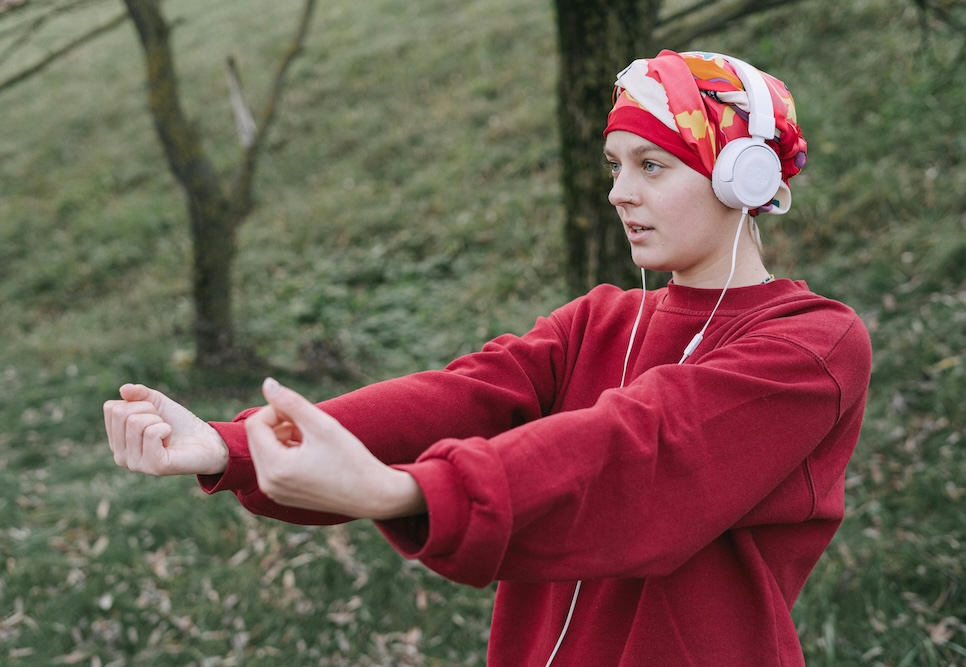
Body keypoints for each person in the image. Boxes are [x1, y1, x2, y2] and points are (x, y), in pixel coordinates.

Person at [104, 50, 872, 666]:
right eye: (613, 165)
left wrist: (406, 492)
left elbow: (643, 449)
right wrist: (231, 444)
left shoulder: (812, 345)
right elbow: (457, 396)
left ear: (746, 178)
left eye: (651, 165)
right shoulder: (598, 322)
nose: (619, 193)